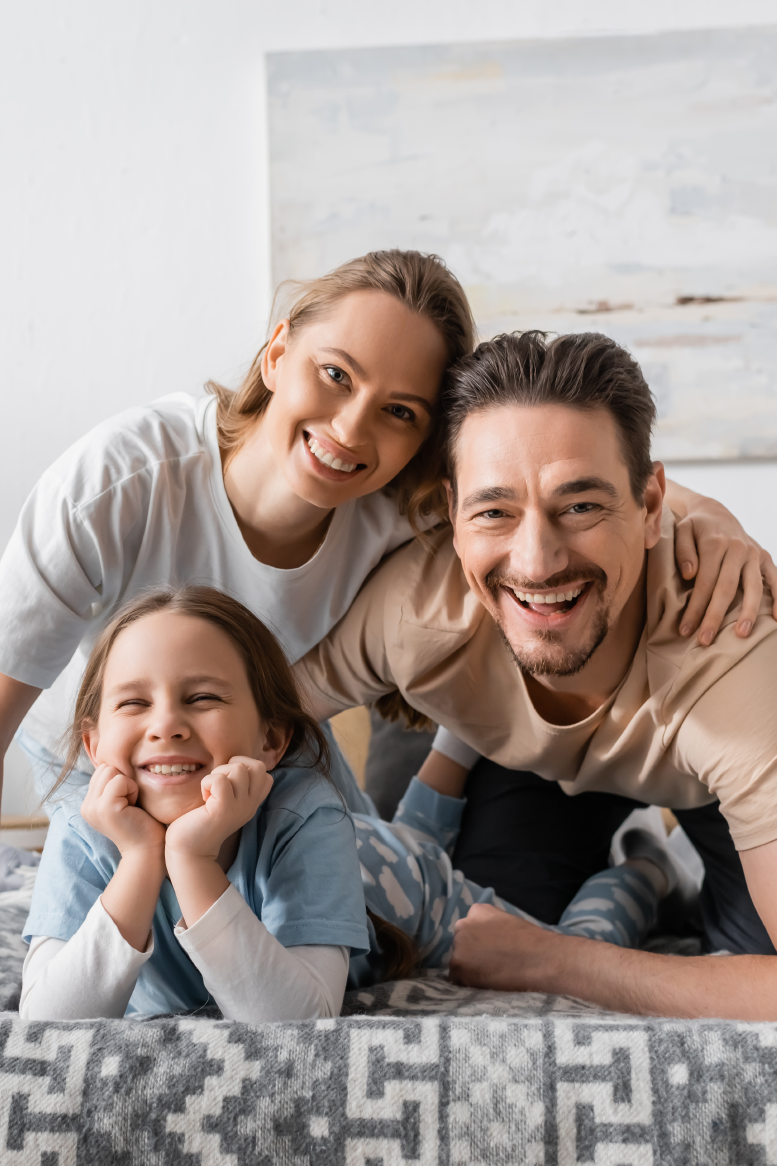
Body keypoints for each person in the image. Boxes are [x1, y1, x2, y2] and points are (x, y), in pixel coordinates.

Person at [0, 251, 770, 816]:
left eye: (399, 411)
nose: (349, 427)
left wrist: (709, 519)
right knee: (133, 936)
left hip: (258, 734)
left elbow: (571, 471)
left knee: (361, 914)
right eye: (335, 374)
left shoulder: (400, 504)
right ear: (276, 353)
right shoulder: (117, 485)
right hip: (93, 750)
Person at [297, 329, 777, 1020]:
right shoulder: (411, 610)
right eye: (493, 512)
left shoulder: (729, 647)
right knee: (489, 923)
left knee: (736, 953)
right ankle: (633, 859)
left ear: (648, 508)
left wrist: (556, 961)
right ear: (451, 517)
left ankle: (659, 855)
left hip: (701, 780)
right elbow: (254, 717)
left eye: (579, 506)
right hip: (524, 763)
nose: (537, 561)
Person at [21, 586, 680, 1021]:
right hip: (367, 851)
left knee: (568, 944)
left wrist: (190, 859)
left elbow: (297, 1021)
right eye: (134, 703)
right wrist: (141, 858)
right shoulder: (85, 829)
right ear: (93, 740)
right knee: (400, 833)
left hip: (404, 889)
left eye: (202, 698)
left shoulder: (303, 807)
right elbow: (50, 1022)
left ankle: (649, 864)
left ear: (270, 740)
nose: (166, 724)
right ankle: (457, 746)